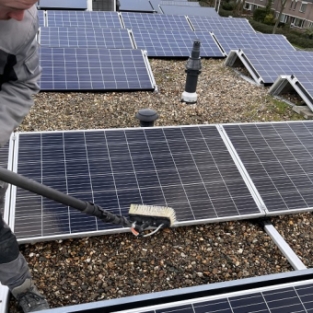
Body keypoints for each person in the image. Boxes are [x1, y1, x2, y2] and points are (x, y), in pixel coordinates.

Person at [0, 1, 49, 312]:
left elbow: (21, 86)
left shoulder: (20, 26)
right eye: (12, 5)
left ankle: (21, 285)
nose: (20, 15)